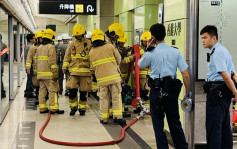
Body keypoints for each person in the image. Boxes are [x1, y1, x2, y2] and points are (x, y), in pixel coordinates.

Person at [138, 23, 190, 149]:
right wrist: (187, 92)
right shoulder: (175, 51)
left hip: (156, 93)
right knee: (175, 123)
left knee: (158, 125)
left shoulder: (151, 53)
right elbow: (185, 74)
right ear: (165, 35)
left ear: (153, 37)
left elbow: (140, 64)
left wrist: (148, 48)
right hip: (171, 93)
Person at [200, 25, 237, 149]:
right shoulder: (224, 50)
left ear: (214, 38)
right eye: (202, 38)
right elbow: (234, 73)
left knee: (213, 128)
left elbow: (226, 76)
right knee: (225, 128)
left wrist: (236, 92)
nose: (203, 41)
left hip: (217, 95)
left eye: (205, 37)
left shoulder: (217, 52)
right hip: (224, 96)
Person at [89, 29, 126, 125]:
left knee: (104, 98)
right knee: (116, 97)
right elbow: (119, 59)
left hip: (101, 80)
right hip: (114, 77)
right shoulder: (110, 47)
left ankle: (104, 118)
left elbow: (92, 67)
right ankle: (117, 117)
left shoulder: (91, 52)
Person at [63, 24, 92, 116]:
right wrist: (64, 67)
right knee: (72, 91)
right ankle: (73, 108)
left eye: (80, 35)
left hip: (86, 72)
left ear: (83, 34)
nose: (78, 36)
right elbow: (67, 56)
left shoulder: (88, 43)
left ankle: (82, 109)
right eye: (77, 35)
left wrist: (92, 68)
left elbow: (92, 57)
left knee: (83, 92)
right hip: (74, 72)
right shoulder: (72, 44)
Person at [36, 28, 64, 114]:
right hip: (49, 74)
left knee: (42, 91)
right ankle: (53, 108)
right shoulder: (51, 47)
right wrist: (55, 72)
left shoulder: (39, 47)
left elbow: (36, 60)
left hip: (40, 74)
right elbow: (52, 61)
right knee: (53, 91)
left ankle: (42, 108)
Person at [25, 30, 44, 105]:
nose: (42, 39)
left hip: (45, 70)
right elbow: (29, 59)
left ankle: (42, 98)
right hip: (36, 70)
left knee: (43, 86)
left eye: (43, 38)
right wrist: (28, 68)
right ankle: (37, 98)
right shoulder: (32, 48)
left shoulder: (46, 47)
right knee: (37, 85)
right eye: (40, 38)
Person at [24, 34, 36, 98]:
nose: (35, 39)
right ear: (30, 39)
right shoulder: (30, 47)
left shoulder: (29, 46)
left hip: (29, 65)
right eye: (34, 38)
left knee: (29, 78)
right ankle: (28, 92)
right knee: (30, 79)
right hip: (30, 66)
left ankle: (28, 91)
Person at [0, 34, 7, 98]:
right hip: (2, 65)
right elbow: (5, 55)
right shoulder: (4, 45)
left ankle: (2, 93)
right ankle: (2, 93)